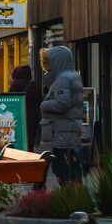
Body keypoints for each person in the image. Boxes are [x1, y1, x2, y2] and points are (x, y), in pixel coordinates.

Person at [40, 46, 84, 184]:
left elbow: (62, 103)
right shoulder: (73, 76)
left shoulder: (63, 79)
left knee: (62, 170)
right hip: (70, 130)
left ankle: (68, 199)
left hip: (61, 131)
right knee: (73, 170)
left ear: (57, 61)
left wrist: (43, 105)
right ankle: (75, 199)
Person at [9, 64, 43, 149]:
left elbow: (10, 102)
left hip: (19, 118)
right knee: (29, 142)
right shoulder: (35, 86)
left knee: (19, 142)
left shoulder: (15, 85)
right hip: (33, 119)